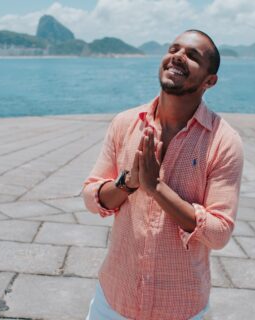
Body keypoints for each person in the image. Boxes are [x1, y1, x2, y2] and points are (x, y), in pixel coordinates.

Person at [82, 29, 244, 320]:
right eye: (173, 49)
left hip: (180, 307)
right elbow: (92, 197)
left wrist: (157, 187)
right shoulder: (125, 123)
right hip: (113, 299)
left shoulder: (223, 141)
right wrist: (128, 183)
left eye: (192, 56)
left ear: (210, 81)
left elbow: (219, 233)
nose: (178, 56)